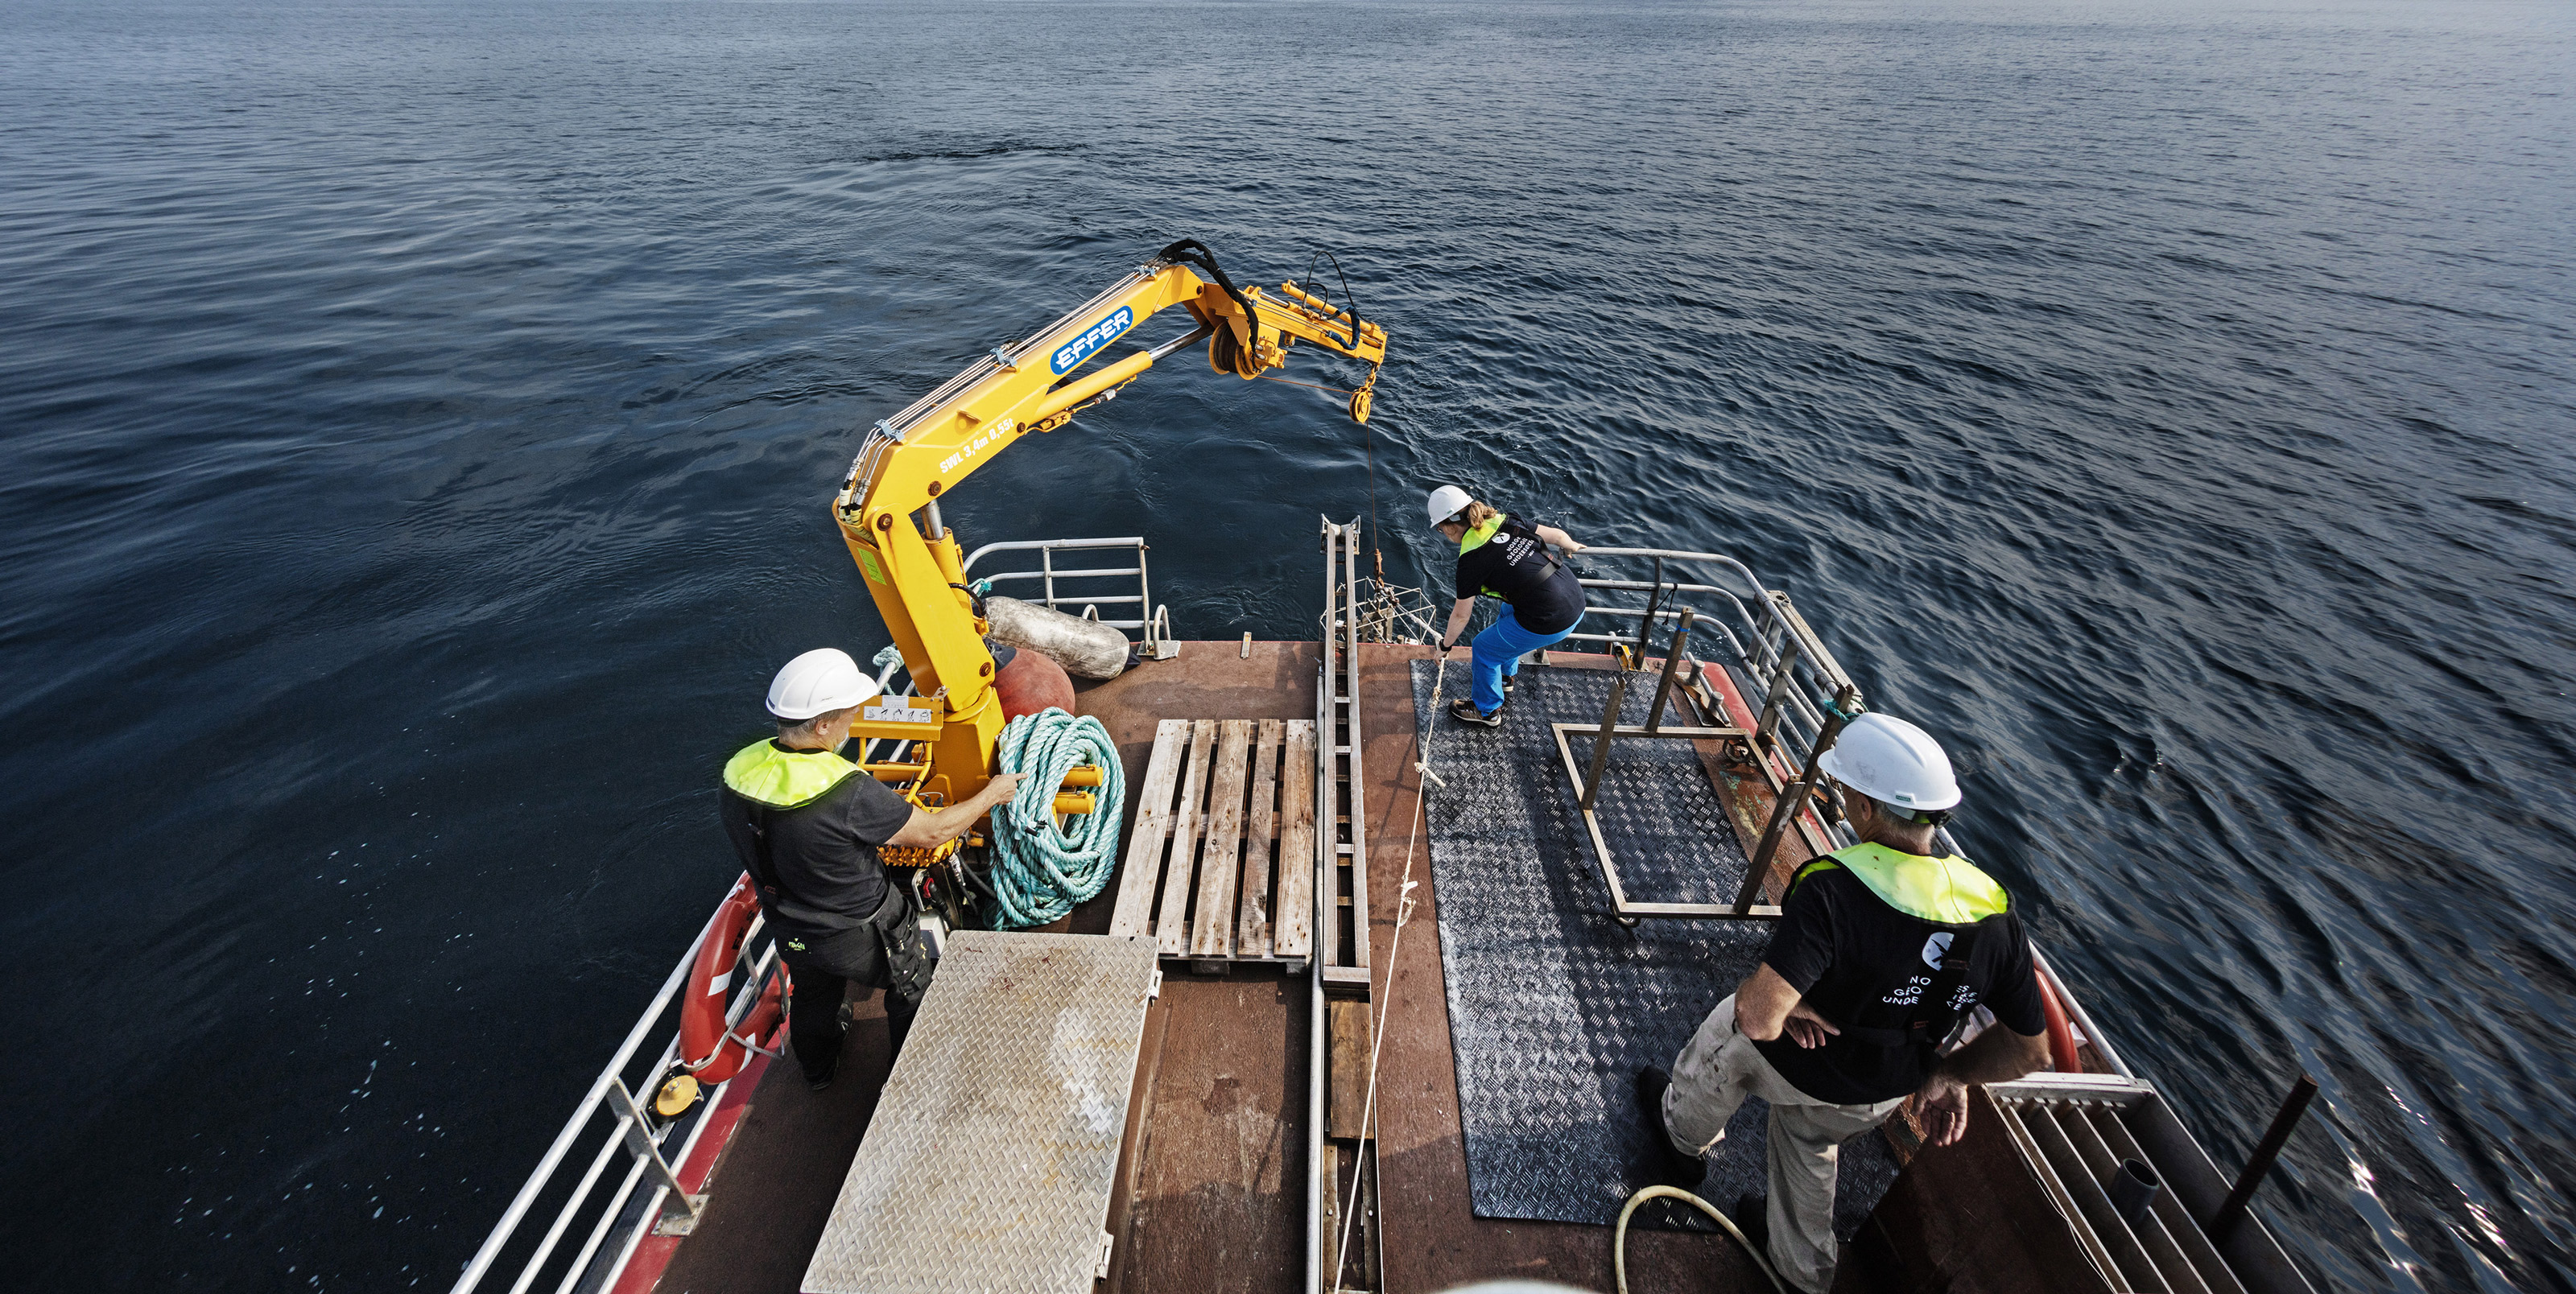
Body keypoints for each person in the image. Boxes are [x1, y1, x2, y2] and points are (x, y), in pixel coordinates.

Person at [1637, 712, 2050, 1292]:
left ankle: (1683, 1143)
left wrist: (1789, 1006)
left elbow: (1759, 1019)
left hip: (1800, 1063)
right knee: (1809, 1139)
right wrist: (1950, 1075)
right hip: (1882, 1090)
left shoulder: (1832, 886)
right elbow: (2030, 1052)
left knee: (1729, 1024)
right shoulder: (1995, 911)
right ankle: (1799, 1270)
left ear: (1863, 808)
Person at [716, 648, 1025, 1090]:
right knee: (912, 984)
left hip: (789, 925)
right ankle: (905, 1083)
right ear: (823, 726)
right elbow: (934, 832)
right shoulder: (849, 794)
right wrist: (992, 794)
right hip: (859, 931)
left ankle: (818, 1074)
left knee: (815, 995)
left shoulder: (736, 775)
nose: (854, 720)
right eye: (847, 715)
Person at [1426, 484, 1588, 727]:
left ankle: (1487, 711)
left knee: (1483, 648)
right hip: (1575, 596)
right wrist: (1570, 545)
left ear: (1450, 525)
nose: (1443, 533)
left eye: (1440, 529)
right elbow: (1556, 536)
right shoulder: (1507, 520)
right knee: (1507, 610)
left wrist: (1445, 646)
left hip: (1552, 619)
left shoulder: (1470, 561)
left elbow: (1461, 616)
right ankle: (1505, 678)